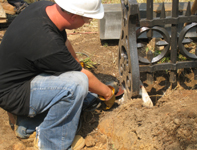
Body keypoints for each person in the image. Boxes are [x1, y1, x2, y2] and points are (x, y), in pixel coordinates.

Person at [0, 0, 116, 149]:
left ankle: (26, 124)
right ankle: (52, 142)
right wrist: (107, 93)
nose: (87, 22)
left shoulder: (45, 8)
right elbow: (82, 77)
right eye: (87, 19)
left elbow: (65, 42)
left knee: (83, 92)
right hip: (13, 95)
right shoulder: (47, 42)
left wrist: (77, 65)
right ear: (74, 16)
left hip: (18, 80)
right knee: (76, 84)